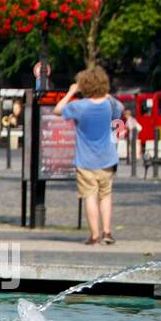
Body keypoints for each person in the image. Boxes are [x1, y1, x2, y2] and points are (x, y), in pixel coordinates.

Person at [55, 66, 122, 245]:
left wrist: (71, 92)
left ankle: (94, 235)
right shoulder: (110, 105)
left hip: (85, 160)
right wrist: (107, 94)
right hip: (107, 157)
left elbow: (58, 110)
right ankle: (107, 232)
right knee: (105, 195)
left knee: (90, 196)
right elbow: (120, 108)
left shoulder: (80, 107)